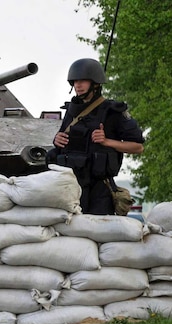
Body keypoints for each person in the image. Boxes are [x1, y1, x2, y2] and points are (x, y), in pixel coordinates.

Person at [51, 58, 144, 215]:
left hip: (99, 190)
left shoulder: (113, 111)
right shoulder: (71, 111)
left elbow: (138, 147)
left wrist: (107, 141)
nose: (77, 85)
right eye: (74, 82)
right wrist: (57, 140)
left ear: (95, 83)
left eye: (82, 81)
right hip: (71, 186)